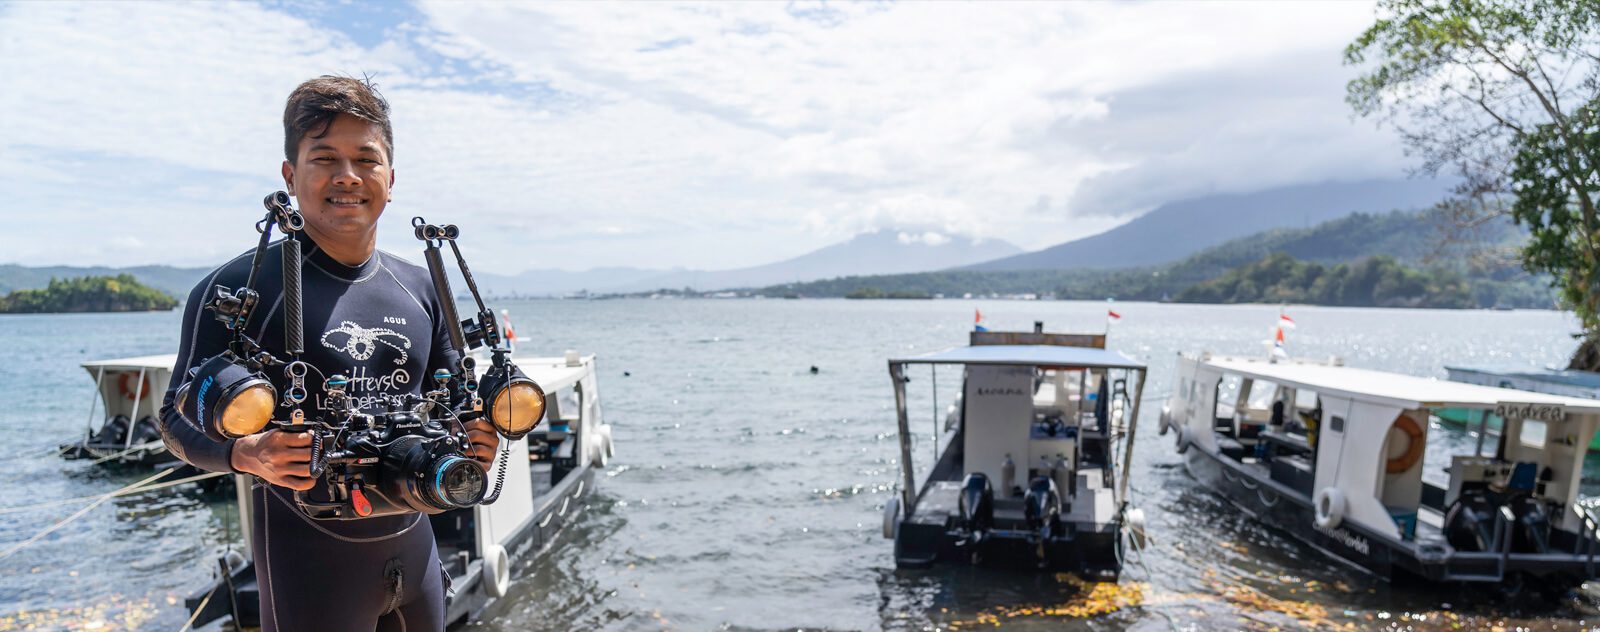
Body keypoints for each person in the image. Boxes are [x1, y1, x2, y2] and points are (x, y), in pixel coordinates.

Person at [158, 76, 500, 632]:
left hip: (415, 552)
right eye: (324, 158)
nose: (347, 176)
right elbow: (174, 417)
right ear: (291, 176)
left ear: (391, 179)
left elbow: (456, 401)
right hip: (310, 564)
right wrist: (247, 454)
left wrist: (477, 436)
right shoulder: (239, 291)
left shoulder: (421, 285)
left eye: (367, 159)